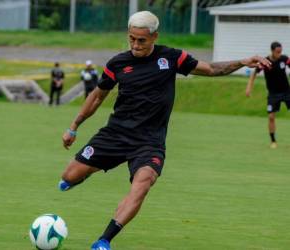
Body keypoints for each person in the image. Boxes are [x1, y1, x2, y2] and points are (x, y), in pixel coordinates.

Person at [59, 11, 271, 250]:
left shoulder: (171, 58)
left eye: (142, 40)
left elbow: (211, 69)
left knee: (143, 182)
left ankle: (104, 240)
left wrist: (242, 61)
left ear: (154, 36)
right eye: (132, 39)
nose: (136, 45)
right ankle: (83, 174)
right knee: (69, 176)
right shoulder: (117, 63)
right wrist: (74, 127)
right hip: (115, 134)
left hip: (149, 142)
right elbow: (97, 97)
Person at [246, 41, 290, 149]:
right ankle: (273, 141)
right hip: (273, 94)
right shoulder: (265, 62)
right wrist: (249, 88)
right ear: (272, 51)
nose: (279, 54)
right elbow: (254, 73)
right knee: (271, 117)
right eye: (277, 52)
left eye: (281, 52)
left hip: (287, 92)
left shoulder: (284, 59)